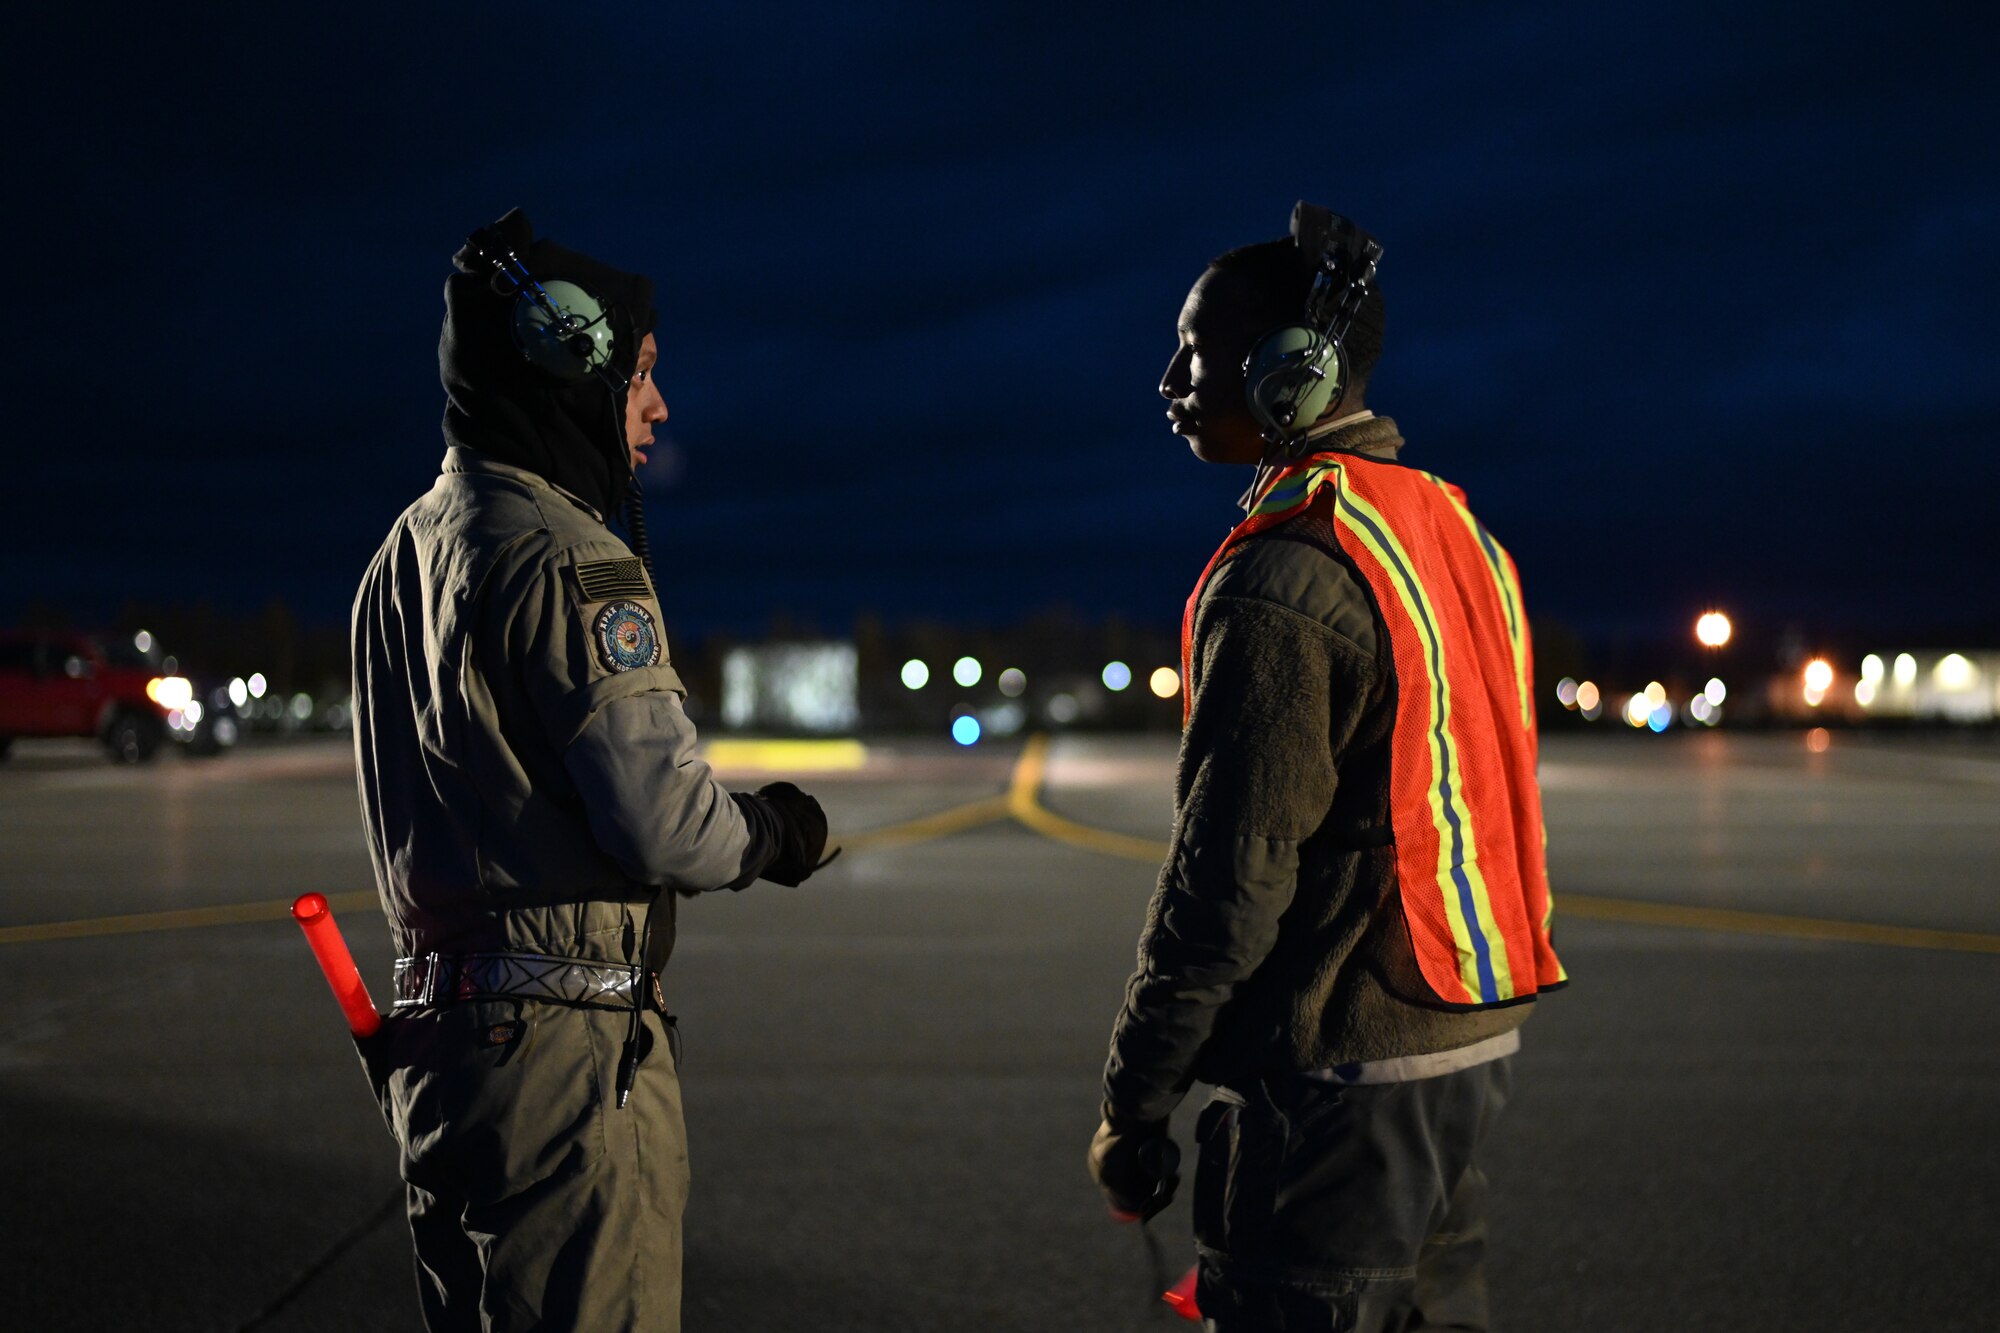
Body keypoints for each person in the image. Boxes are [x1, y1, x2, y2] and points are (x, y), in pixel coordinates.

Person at [351, 208, 832, 1333]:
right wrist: (768, 834)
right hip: (561, 1063)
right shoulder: (568, 554)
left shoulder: (401, 552)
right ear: (571, 364)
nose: (658, 406)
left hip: (437, 1049)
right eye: (642, 374)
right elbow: (665, 822)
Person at [1088, 205, 1565, 1331]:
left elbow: (1227, 877)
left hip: (1342, 1072)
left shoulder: (1285, 575)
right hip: (1462, 1036)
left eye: (1196, 352)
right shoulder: (1456, 532)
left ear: (1286, 373)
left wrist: (1134, 1100)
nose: (1170, 378)